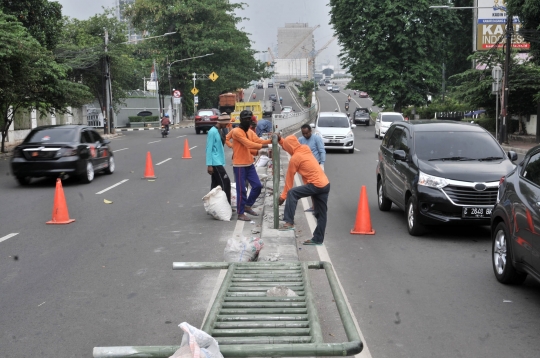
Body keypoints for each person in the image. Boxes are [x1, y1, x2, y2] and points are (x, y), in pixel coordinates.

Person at [278, 135, 330, 245]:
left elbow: (289, 180)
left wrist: (283, 197)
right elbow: (290, 147)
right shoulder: (305, 148)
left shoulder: (295, 159)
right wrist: (280, 141)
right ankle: (318, 239)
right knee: (321, 214)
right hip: (325, 184)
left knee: (292, 193)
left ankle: (289, 222)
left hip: (315, 185)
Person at [228, 110, 274, 221]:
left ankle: (247, 206)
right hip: (239, 165)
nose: (247, 121)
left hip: (249, 163)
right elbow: (248, 143)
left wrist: (271, 140)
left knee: (257, 186)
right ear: (241, 119)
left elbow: (258, 140)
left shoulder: (249, 131)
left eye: (249, 119)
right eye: (245, 119)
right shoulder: (236, 131)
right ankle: (240, 213)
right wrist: (232, 146)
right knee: (241, 190)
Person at [206, 113, 232, 205]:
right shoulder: (212, 131)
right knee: (226, 182)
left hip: (218, 160)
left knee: (215, 184)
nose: (226, 125)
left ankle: (211, 205)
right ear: (221, 122)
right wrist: (209, 165)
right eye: (226, 124)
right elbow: (209, 149)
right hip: (215, 162)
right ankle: (227, 205)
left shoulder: (220, 130)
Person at [299, 124, 326, 212]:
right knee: (310, 187)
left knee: (318, 186)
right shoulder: (300, 140)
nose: (305, 135)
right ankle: (314, 206)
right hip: (306, 168)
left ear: (310, 131)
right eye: (303, 134)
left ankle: (318, 206)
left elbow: (322, 151)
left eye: (307, 133)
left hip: (316, 166)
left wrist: (322, 164)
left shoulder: (316, 138)